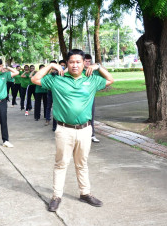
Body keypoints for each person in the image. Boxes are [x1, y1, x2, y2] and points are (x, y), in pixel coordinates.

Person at [31, 49, 114, 212]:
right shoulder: (57, 79)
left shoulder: (92, 80)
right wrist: (51, 66)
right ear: (66, 64)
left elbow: (110, 79)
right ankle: (56, 196)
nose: (75, 65)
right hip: (64, 130)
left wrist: (98, 67)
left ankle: (85, 193)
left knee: (81, 163)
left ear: (84, 63)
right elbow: (35, 79)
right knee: (61, 164)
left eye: (78, 62)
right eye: (71, 62)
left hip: (85, 129)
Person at [84, 54, 100, 143]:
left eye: (89, 61)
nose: (87, 63)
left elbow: (107, 75)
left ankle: (92, 134)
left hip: (90, 97)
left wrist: (98, 66)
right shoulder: (78, 70)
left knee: (91, 116)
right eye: (86, 61)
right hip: (79, 98)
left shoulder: (93, 70)